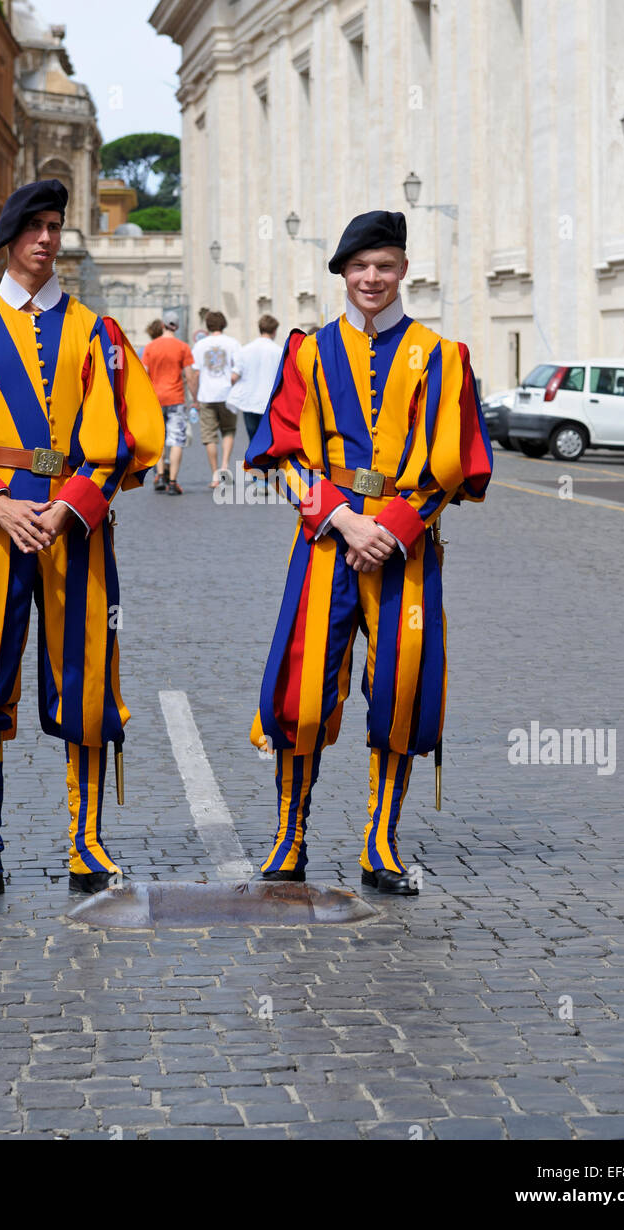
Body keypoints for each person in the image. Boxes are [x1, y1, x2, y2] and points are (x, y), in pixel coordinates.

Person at [0, 179, 164, 908]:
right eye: (33, 227)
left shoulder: (98, 334)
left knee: (85, 682)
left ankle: (86, 843)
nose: (47, 239)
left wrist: (70, 506)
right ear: (8, 239)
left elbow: (121, 445)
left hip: (74, 533)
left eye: (55, 226)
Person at [245, 210, 493, 895]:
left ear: (403, 270)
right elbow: (282, 450)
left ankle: (379, 842)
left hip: (405, 549)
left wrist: (395, 526)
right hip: (326, 543)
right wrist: (344, 520)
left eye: (383, 265)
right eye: (359, 267)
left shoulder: (442, 357)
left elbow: (451, 461)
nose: (371, 278)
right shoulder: (307, 351)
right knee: (301, 690)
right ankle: (287, 837)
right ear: (343, 276)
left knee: (400, 691)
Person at [141, 311, 197, 495]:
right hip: (176, 399)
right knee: (176, 440)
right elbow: (189, 376)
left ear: (163, 325)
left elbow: (143, 374)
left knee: (159, 440)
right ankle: (172, 481)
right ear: (177, 327)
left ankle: (159, 474)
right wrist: (195, 399)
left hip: (155, 399)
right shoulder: (183, 347)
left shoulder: (150, 347)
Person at [190, 311, 243, 488]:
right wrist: (232, 383)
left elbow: (195, 373)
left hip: (206, 394)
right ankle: (225, 466)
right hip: (227, 393)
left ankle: (214, 474)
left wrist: (194, 397)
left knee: (209, 436)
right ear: (224, 324)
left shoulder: (199, 346)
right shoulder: (233, 343)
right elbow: (238, 368)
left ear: (208, 325)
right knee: (228, 429)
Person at [227, 313, 283, 442]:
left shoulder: (245, 350)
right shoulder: (279, 352)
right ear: (274, 331)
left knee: (253, 440)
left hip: (249, 401)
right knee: (269, 440)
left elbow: (234, 375)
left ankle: (254, 462)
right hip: (270, 402)